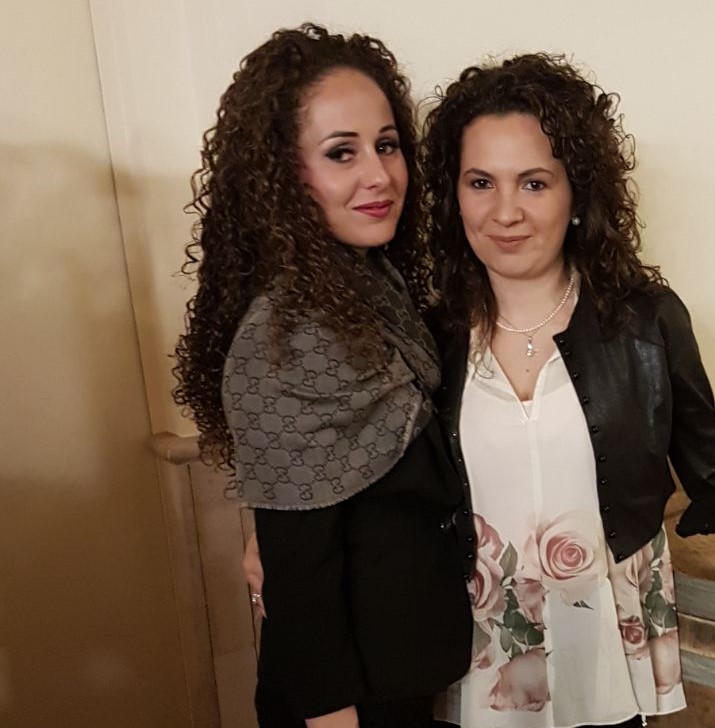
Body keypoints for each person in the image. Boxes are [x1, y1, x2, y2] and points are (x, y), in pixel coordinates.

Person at [419, 54, 715, 728]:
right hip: (473, 655)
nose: (505, 211)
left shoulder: (644, 321)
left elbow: (713, 465)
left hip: (603, 644)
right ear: (453, 193)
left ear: (578, 194)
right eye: (481, 182)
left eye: (535, 183)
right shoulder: (430, 336)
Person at [173, 24, 470, 728]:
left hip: (402, 666)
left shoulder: (369, 284)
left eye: (386, 145)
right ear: (282, 177)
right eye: (342, 153)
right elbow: (301, 579)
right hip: (345, 701)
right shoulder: (285, 335)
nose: (380, 175)